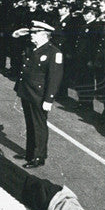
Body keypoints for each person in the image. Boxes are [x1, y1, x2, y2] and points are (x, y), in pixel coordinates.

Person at [12, 21, 64, 168]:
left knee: (39, 125)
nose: (31, 36)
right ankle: (30, 153)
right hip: (27, 91)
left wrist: (49, 99)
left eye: (34, 33)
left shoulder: (54, 52)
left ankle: (38, 156)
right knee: (30, 123)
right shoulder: (32, 48)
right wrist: (20, 32)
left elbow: (55, 78)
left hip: (39, 95)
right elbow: (15, 38)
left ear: (44, 35)